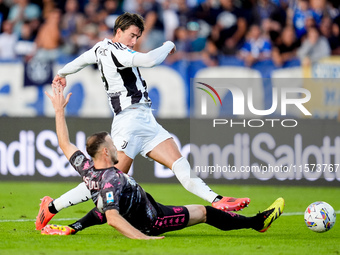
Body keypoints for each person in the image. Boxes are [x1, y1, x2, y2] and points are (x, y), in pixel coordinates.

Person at [35, 12, 250, 231]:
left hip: (146, 120)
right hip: (129, 122)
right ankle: (52, 207)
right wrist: (168, 44)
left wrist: (62, 73)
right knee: (108, 180)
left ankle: (216, 199)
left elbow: (80, 61)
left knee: (178, 163)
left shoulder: (101, 49)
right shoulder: (117, 51)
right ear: (118, 31)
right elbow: (149, 60)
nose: (134, 41)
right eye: (132, 35)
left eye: (137, 37)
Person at [40, 83, 284, 239]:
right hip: (153, 220)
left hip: (149, 207)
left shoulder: (89, 170)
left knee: (107, 206)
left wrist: (59, 111)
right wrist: (145, 238)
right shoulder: (111, 178)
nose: (117, 147)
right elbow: (111, 218)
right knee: (205, 213)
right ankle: (257, 222)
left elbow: (64, 143)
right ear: (105, 152)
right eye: (113, 144)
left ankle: (63, 221)